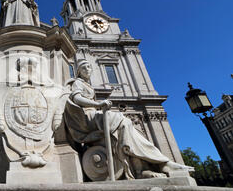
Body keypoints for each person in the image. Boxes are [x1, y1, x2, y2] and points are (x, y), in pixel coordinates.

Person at [64, 59, 193, 179]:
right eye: (84, 67)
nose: (88, 69)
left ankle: (150, 166)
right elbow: (76, 98)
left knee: (126, 125)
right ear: (78, 71)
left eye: (89, 66)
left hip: (96, 113)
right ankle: (157, 164)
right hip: (88, 115)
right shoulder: (78, 83)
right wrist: (98, 104)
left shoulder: (88, 85)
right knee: (120, 120)